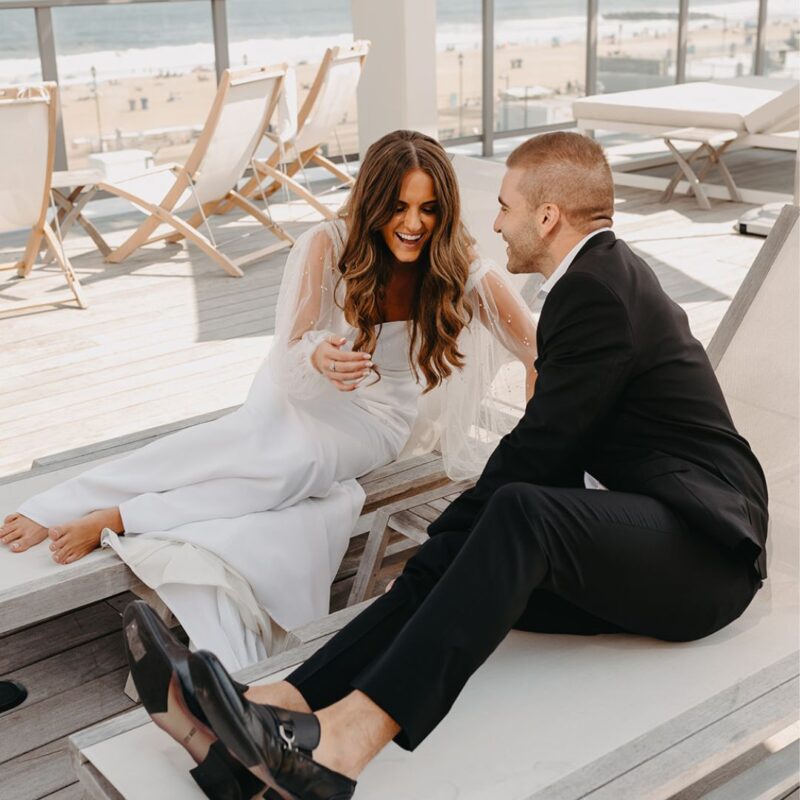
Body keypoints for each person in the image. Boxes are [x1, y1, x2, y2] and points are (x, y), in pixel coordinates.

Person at [124, 131, 768, 800]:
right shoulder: (601, 279)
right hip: (645, 544)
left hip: (705, 558)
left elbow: (540, 453)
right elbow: (551, 437)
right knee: (477, 542)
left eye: (505, 204)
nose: (494, 222)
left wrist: (447, 536)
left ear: (547, 217)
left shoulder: (598, 290)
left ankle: (342, 748)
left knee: (510, 514)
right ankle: (269, 715)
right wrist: (451, 546)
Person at [1, 130, 537, 669]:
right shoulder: (329, 242)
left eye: (428, 208)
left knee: (295, 463)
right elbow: (292, 349)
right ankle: (66, 502)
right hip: (298, 392)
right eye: (398, 206)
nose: (414, 223)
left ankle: (121, 516)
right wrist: (319, 357)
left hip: (375, 420)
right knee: (222, 446)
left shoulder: (456, 266)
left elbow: (536, 349)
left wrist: (544, 425)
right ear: (373, 201)